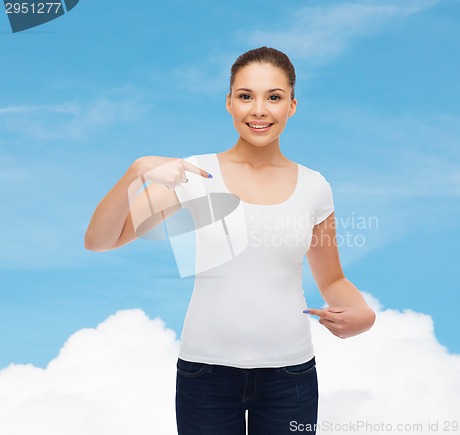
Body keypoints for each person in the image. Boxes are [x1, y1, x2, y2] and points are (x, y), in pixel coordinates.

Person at [85, 46, 376, 435]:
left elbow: (332, 280)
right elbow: (100, 241)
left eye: (273, 97)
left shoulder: (315, 187)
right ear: (229, 103)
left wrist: (363, 314)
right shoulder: (194, 174)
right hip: (205, 374)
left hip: (291, 377)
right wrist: (136, 172)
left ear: (292, 105)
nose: (259, 110)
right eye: (245, 96)